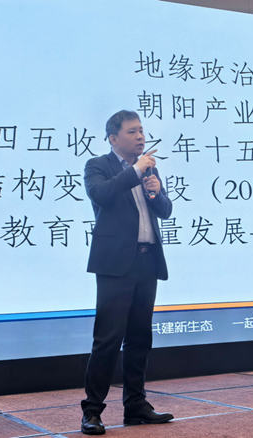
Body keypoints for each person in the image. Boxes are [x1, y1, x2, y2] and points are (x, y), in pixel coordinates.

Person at [80, 110, 174, 435]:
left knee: (140, 339)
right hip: (115, 265)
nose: (140, 136)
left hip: (147, 262)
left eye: (142, 131)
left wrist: (155, 191)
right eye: (133, 131)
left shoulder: (150, 169)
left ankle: (136, 406)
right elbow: (101, 195)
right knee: (107, 340)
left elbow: (166, 210)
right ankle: (92, 411)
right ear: (113, 138)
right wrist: (136, 171)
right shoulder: (98, 166)